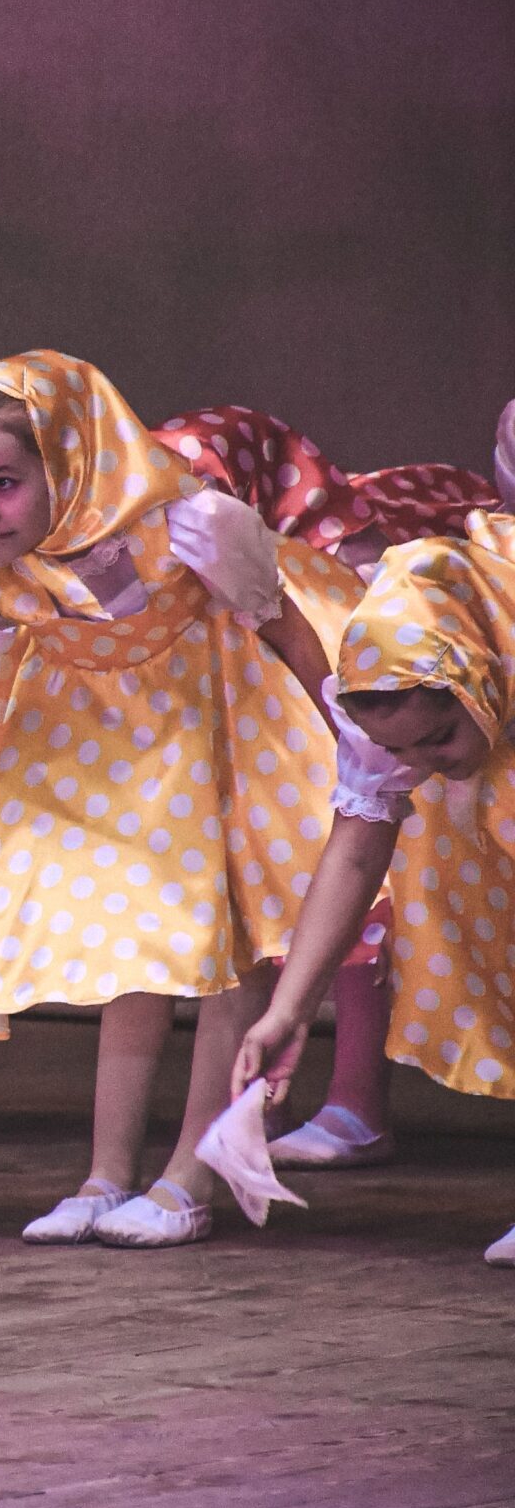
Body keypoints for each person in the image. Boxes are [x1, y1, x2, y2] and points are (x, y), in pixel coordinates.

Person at [0, 351, 343, 1246]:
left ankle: (191, 1175)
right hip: (95, 761)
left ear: (68, 462)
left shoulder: (192, 530)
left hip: (220, 744)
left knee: (227, 952)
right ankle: (105, 1175)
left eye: (6, 483)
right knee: (127, 951)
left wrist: (350, 765)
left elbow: (292, 641)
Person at [234, 512, 515, 1266]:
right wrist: (288, 1009)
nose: (419, 764)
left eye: (438, 739)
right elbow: (356, 852)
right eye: (398, 749)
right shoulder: (400, 724)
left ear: (476, 683)